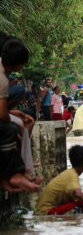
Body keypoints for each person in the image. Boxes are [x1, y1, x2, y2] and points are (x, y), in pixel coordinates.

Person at [0, 33, 40, 192]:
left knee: (20, 123)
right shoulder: (2, 79)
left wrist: (14, 114)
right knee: (14, 129)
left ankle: (24, 171)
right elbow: (2, 115)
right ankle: (18, 174)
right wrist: (13, 117)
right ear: (19, 65)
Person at [36, 145, 83, 215]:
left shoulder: (70, 173)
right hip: (46, 212)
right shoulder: (72, 175)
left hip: (44, 210)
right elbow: (78, 194)